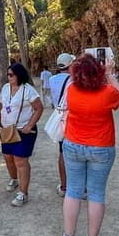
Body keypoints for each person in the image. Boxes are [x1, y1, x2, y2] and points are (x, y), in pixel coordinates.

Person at [61, 54, 119, 236]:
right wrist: (110, 75)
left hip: (73, 143)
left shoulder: (71, 90)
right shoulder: (107, 93)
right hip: (101, 146)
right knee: (96, 193)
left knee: (73, 191)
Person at [0, 62, 44, 207]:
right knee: (8, 157)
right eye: (7, 75)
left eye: (11, 75)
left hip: (23, 131)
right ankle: (14, 179)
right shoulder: (5, 88)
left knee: (20, 160)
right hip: (7, 130)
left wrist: (29, 125)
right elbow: (0, 105)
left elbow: (39, 108)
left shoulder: (28, 90)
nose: (8, 77)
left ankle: (23, 193)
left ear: (19, 75)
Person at [49, 53, 75, 197]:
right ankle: (81, 188)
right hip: (73, 119)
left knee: (62, 152)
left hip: (61, 119)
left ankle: (64, 186)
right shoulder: (74, 80)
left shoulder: (52, 79)